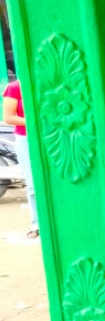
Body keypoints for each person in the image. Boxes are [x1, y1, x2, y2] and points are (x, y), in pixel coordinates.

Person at [2, 80, 36, 237]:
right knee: (33, 184)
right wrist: (37, 123)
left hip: (51, 139)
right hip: (26, 140)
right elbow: (8, 117)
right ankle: (37, 224)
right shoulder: (15, 87)